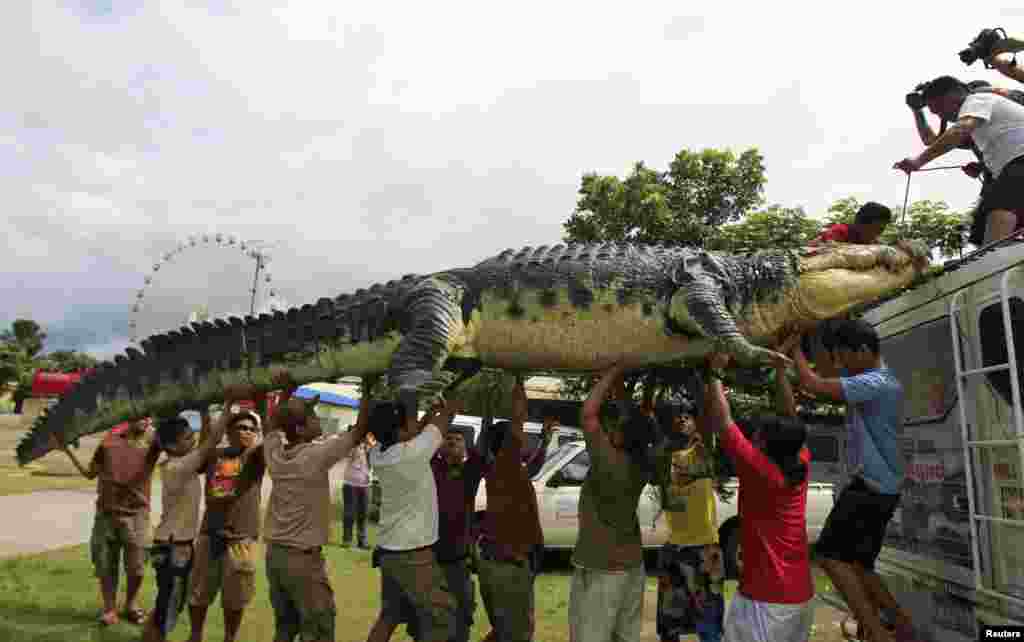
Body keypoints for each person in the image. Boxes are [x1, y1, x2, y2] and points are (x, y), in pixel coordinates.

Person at [791, 319, 922, 642]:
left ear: (863, 351)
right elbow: (824, 373)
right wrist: (816, 333)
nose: (843, 365)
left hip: (871, 485)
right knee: (861, 565)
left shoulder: (874, 382)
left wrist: (793, 346)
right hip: (884, 487)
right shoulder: (878, 379)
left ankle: (877, 633)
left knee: (829, 555)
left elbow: (812, 383)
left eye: (846, 356)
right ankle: (903, 628)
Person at [701, 350, 815, 642]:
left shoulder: (759, 470)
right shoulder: (799, 461)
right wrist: (780, 371)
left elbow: (725, 422)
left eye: (758, 434)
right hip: (799, 596)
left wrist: (714, 373)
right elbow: (791, 418)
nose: (753, 436)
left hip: (765, 600)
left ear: (765, 444)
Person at [262, 372, 375, 642]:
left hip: (275, 557)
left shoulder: (276, 454)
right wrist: (368, 386)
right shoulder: (315, 455)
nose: (317, 419)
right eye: (312, 416)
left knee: (286, 628)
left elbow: (270, 428)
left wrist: (287, 393)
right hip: (301, 560)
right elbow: (360, 430)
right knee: (319, 627)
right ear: (300, 429)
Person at [568, 363, 657, 642]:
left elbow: (588, 414)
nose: (611, 428)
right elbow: (634, 420)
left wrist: (612, 370)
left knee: (591, 635)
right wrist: (617, 381)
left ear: (623, 435)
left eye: (616, 426)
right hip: (631, 565)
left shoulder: (609, 461)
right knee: (624, 636)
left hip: (603, 568)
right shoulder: (641, 462)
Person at [365, 395, 460, 642]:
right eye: (410, 421)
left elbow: (415, 431)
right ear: (400, 430)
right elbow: (447, 416)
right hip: (412, 554)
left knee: (390, 615)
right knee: (441, 617)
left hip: (390, 551)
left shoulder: (378, 453)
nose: (415, 424)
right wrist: (451, 397)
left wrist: (428, 415)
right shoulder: (412, 453)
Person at [52, 416, 160, 626]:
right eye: (142, 415)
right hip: (106, 515)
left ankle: (130, 604)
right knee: (105, 564)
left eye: (149, 417)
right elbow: (89, 473)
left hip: (137, 515)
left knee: (137, 567)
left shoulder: (153, 446)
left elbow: (176, 442)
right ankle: (109, 609)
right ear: (130, 416)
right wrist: (66, 449)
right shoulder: (108, 443)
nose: (146, 420)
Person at [894, 75, 1024, 244]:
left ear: (956, 93)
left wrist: (918, 161)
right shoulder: (980, 122)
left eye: (940, 108)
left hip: (1019, 161)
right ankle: (998, 257)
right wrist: (982, 166)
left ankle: (993, 260)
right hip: (1010, 167)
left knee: (999, 206)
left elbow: (958, 131)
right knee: (981, 227)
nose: (942, 115)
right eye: (936, 113)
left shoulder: (976, 100)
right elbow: (934, 141)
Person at [142, 405, 230, 642]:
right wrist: (228, 405)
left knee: (168, 601)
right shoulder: (179, 467)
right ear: (171, 446)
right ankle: (153, 637)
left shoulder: (180, 464)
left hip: (174, 544)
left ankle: (150, 634)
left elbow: (205, 444)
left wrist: (204, 412)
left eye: (192, 435)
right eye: (187, 438)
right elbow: (211, 441)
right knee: (168, 605)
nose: (193, 440)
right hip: (174, 546)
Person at [187, 398, 267, 642]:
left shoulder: (256, 459)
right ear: (229, 431)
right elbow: (203, 448)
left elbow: (270, 435)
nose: (247, 432)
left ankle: (229, 638)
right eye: (241, 427)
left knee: (235, 598)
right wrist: (204, 413)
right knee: (198, 593)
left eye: (252, 429)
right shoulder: (214, 455)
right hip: (210, 536)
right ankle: (196, 635)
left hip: (240, 540)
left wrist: (264, 401)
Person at [476, 379, 545, 642]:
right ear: (507, 445)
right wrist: (518, 377)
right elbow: (518, 417)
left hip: (502, 565)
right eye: (518, 438)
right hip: (508, 567)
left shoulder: (506, 473)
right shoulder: (506, 467)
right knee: (518, 635)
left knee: (504, 632)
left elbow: (535, 465)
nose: (523, 438)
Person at [653, 403, 726, 642]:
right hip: (674, 548)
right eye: (677, 418)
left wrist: (705, 378)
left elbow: (707, 420)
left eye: (687, 417)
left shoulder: (703, 452)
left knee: (709, 625)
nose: (682, 421)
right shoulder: (664, 457)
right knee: (669, 625)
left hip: (705, 549)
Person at [431, 413, 488, 642]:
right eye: (449, 438)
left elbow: (481, 452)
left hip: (458, 558)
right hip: (430, 555)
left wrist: (487, 412)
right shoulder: (433, 468)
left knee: (462, 614)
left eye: (458, 439)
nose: (452, 442)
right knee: (431, 617)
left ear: (467, 447)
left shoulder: (470, 473)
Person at [341, 429, 373, 549]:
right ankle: (347, 540)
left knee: (363, 514)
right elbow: (348, 454)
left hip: (365, 485)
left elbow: (372, 462)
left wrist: (369, 446)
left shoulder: (369, 447)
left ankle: (362, 541)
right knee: (349, 513)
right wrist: (357, 442)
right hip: (351, 484)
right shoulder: (353, 447)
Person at [812, 202, 893, 245]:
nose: (877, 235)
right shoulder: (840, 232)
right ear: (860, 223)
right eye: (876, 229)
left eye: (881, 230)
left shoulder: (873, 242)